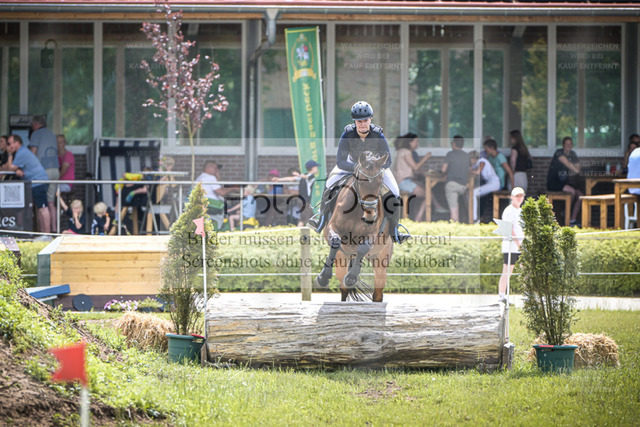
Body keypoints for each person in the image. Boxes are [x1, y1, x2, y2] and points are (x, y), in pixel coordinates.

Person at [308, 101, 409, 243]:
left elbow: (388, 161)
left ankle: (395, 229)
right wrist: (358, 168)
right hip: (350, 165)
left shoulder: (378, 135)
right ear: (354, 122)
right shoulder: (347, 135)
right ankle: (321, 219)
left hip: (375, 169)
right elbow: (340, 161)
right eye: (359, 121)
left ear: (370, 119)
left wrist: (374, 168)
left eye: (365, 120)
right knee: (330, 183)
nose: (362, 124)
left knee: (395, 192)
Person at [4, 135, 51, 236]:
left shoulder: (21, 152)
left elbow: (10, 168)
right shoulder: (22, 152)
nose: (9, 146)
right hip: (36, 182)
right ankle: (43, 233)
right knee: (39, 208)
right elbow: (15, 168)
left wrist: (9, 154)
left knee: (43, 208)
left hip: (38, 182)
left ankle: (47, 234)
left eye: (10, 143)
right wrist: (17, 170)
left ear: (17, 143)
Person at [30, 115, 59, 233]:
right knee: (51, 202)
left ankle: (43, 231)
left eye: (32, 125)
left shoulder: (36, 134)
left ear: (36, 124)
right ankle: (54, 230)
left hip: (42, 172)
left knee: (41, 203)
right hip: (55, 170)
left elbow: (32, 154)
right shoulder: (52, 134)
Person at [393, 132, 431, 221]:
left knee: (424, 192)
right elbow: (415, 167)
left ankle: (417, 218)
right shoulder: (406, 152)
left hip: (401, 182)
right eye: (416, 141)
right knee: (428, 195)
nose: (417, 144)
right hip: (404, 183)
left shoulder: (401, 151)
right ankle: (418, 218)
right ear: (410, 142)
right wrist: (426, 157)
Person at [547, 136, 582, 225]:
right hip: (554, 182)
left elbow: (578, 169)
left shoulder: (573, 154)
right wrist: (574, 168)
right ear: (563, 145)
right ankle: (566, 213)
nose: (568, 146)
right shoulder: (559, 152)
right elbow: (569, 165)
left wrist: (575, 168)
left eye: (570, 144)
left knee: (580, 195)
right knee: (572, 191)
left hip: (564, 183)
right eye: (567, 144)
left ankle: (572, 219)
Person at [498, 186, 525, 303]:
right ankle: (502, 296)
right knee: (507, 271)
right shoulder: (508, 211)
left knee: (526, 270)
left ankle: (527, 295)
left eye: (521, 196)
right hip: (511, 247)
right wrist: (519, 244)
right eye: (517, 196)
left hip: (521, 246)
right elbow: (510, 230)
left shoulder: (521, 211)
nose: (519, 198)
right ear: (512, 197)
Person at [196, 160, 236, 228]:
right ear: (208, 168)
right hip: (212, 205)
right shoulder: (210, 177)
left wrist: (217, 176)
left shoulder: (200, 177)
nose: (217, 170)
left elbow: (218, 187)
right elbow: (221, 192)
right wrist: (233, 188)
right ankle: (231, 228)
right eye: (215, 168)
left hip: (204, 203)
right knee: (232, 208)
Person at [441, 135, 470, 223]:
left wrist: (446, 174)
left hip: (452, 185)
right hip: (463, 186)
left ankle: (454, 225)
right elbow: (468, 170)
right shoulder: (466, 155)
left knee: (453, 209)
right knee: (457, 203)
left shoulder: (450, 154)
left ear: (454, 143)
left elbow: (443, 169)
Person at [469, 150, 501, 223]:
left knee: (473, 193)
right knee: (473, 192)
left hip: (494, 184)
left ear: (473, 158)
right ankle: (476, 217)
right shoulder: (476, 164)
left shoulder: (482, 161)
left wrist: (469, 171)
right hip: (489, 184)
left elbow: (478, 172)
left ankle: (474, 218)